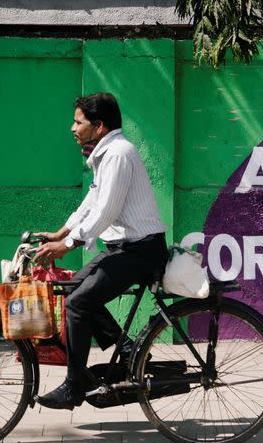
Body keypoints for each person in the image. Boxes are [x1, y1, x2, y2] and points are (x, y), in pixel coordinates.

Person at [33, 92, 168, 410]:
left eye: (78, 122)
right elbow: (92, 202)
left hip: (141, 250)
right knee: (73, 292)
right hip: (125, 248)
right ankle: (131, 348)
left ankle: (74, 386)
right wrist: (61, 232)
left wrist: (68, 245)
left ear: (99, 125)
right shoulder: (106, 154)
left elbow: (107, 210)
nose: (72, 128)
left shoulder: (119, 153)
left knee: (79, 304)